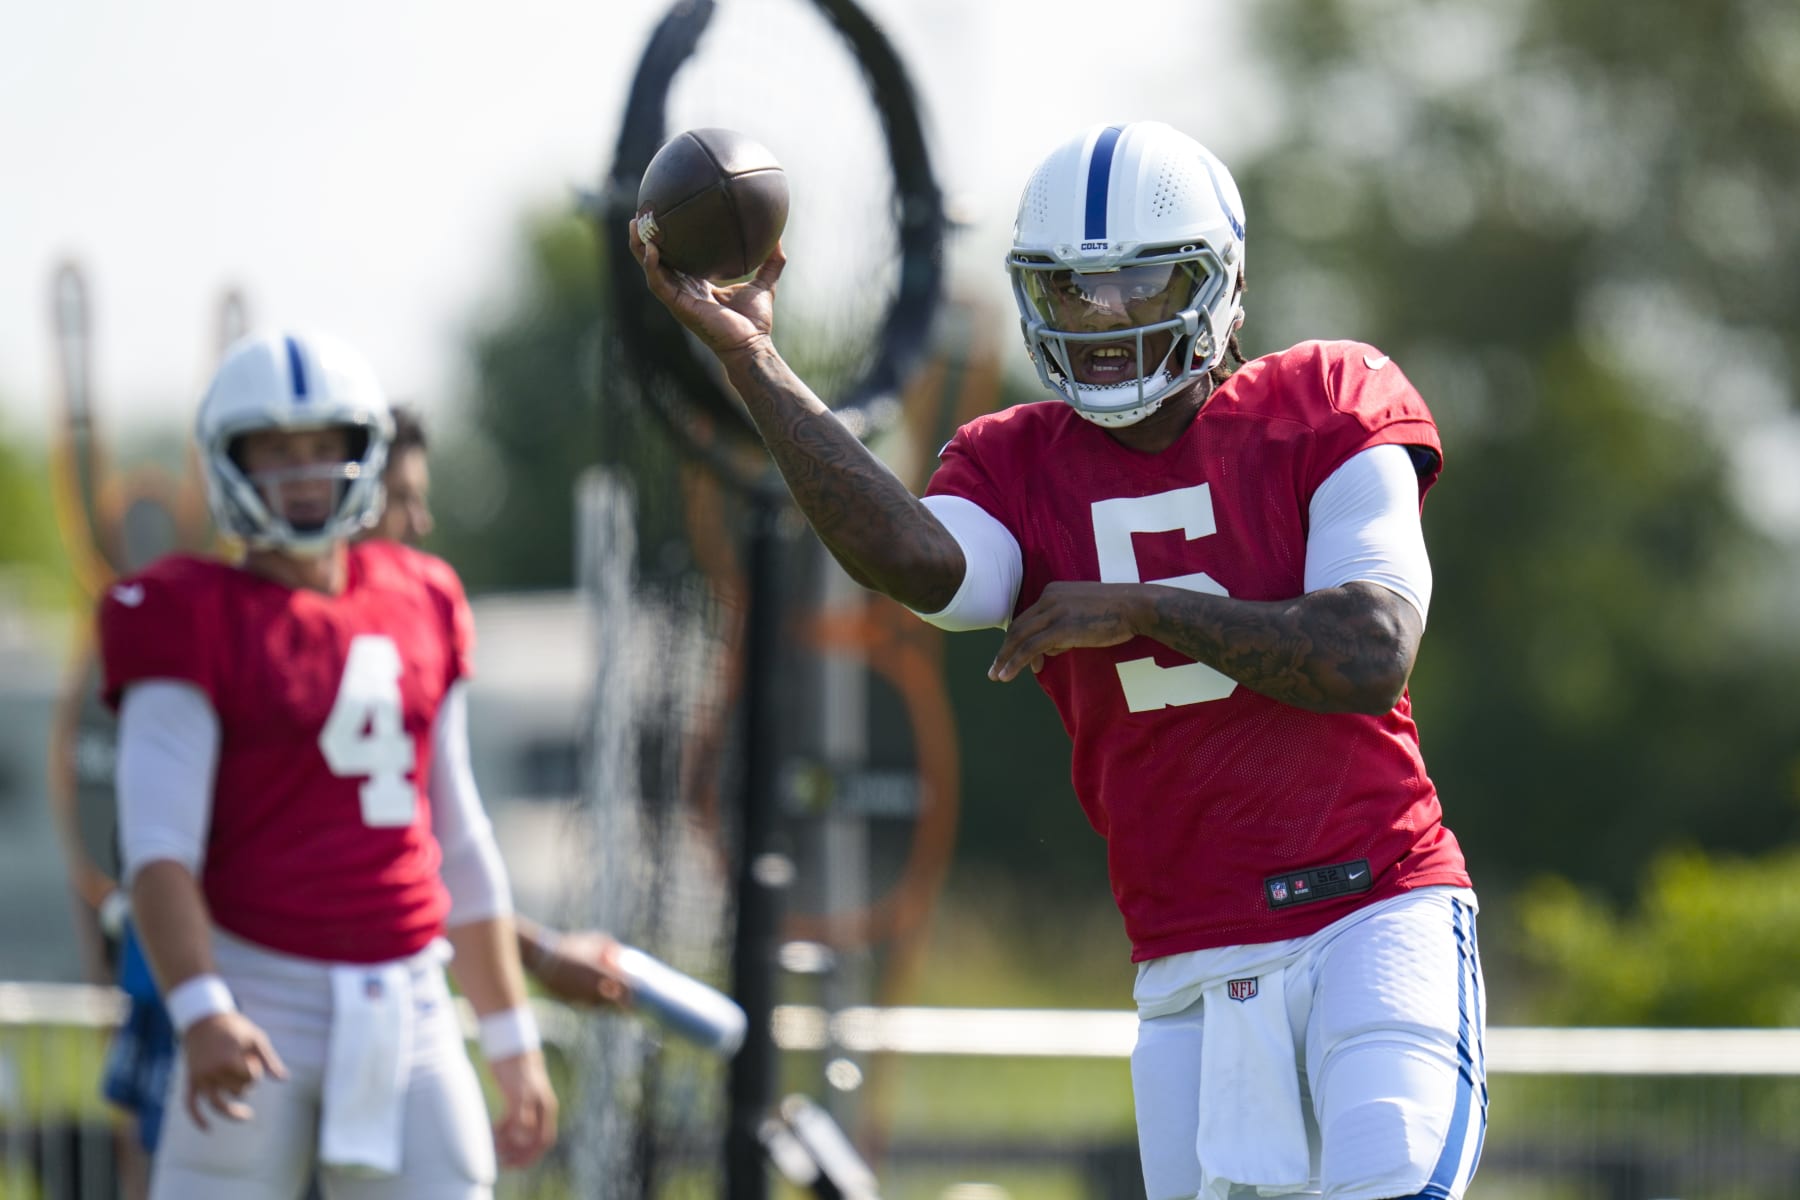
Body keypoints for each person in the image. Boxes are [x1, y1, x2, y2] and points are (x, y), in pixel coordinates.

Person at [632, 121, 1485, 1200]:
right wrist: (754, 359)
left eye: (1140, 283)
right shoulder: (1013, 459)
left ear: (1221, 281)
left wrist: (1139, 609)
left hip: (1372, 915)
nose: (1108, 319)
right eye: (1076, 291)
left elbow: (1369, 653)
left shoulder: (1325, 398)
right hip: (1188, 962)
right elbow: (918, 564)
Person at [100, 329, 557, 1199]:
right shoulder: (184, 611)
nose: (304, 475)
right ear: (230, 462)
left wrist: (510, 1039)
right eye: (275, 452)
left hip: (409, 991)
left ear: (364, 454)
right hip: (255, 982)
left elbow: (459, 839)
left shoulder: (422, 595)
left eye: (323, 449)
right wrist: (200, 1008)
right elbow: (158, 852)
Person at [350, 404, 627, 1012]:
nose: (420, 522)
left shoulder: (410, 626)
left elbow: (435, 850)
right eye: (401, 498)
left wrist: (540, 953)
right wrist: (543, 955)